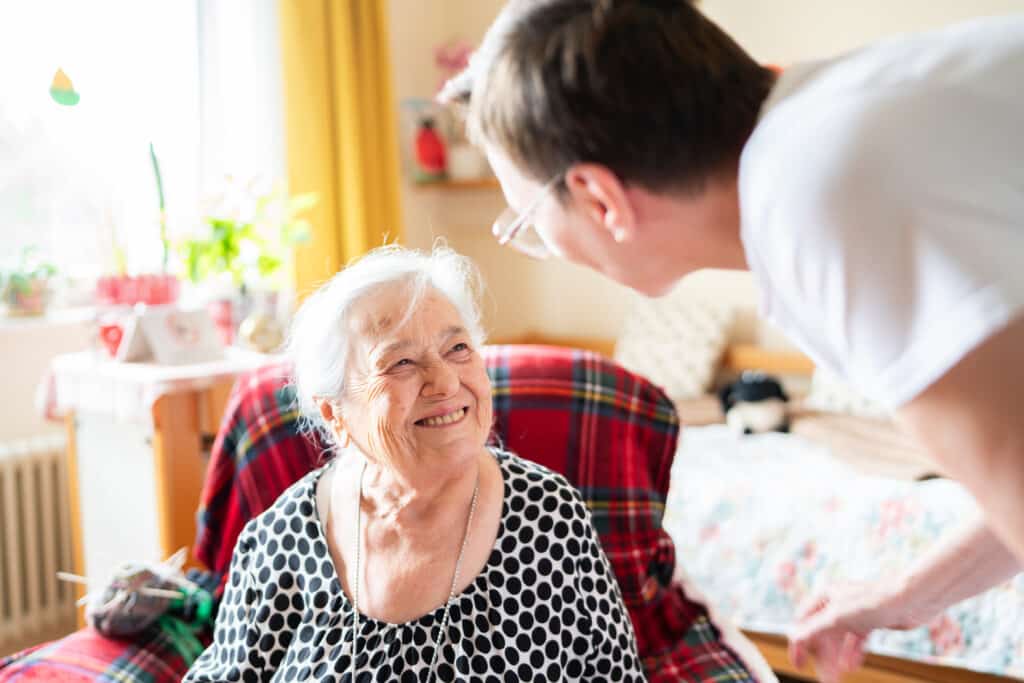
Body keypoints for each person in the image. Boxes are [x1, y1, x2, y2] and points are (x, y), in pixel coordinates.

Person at [438, 2, 1024, 681]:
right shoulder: (819, 136)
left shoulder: (818, 196)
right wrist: (900, 597)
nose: (547, 247)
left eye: (531, 223)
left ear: (600, 198)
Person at [184, 245, 645, 682]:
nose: (445, 382)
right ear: (335, 414)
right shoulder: (282, 538)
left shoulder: (549, 516)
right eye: (401, 362)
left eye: (457, 349)